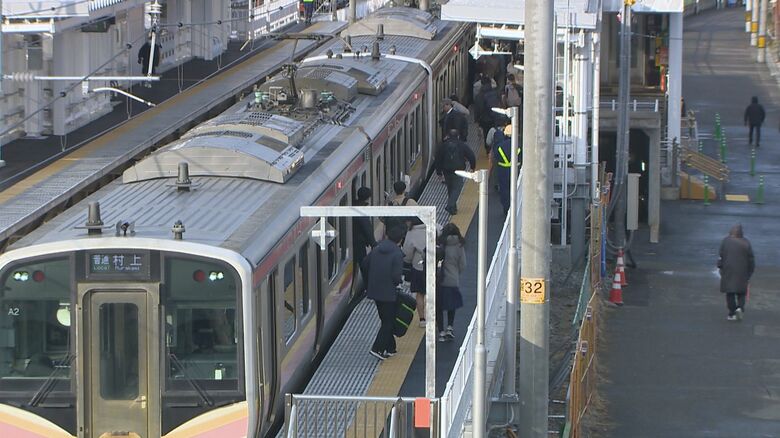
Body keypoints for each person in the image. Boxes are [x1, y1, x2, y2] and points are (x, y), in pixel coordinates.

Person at [362, 226, 405, 359]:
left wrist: (370, 281)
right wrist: (398, 282)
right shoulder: (397, 253)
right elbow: (396, 276)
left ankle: (390, 348)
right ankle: (377, 348)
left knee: (385, 319)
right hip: (389, 293)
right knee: (388, 321)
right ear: (400, 239)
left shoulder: (377, 249)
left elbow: (364, 264)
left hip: (375, 291)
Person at [717, 224, 755, 321]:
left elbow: (721, 255)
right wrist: (749, 272)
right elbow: (751, 259)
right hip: (743, 272)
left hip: (728, 270)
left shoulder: (726, 241)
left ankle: (732, 312)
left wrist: (720, 266)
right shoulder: (746, 242)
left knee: (730, 293)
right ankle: (740, 308)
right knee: (741, 292)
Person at [435, 129, 477, 215]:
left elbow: (438, 159)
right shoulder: (462, 145)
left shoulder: (443, 146)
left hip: (446, 170)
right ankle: (450, 205)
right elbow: (471, 155)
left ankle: (453, 209)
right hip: (458, 170)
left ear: (448, 136)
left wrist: (439, 172)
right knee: (457, 188)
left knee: (450, 189)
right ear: (458, 136)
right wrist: (472, 167)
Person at [436, 223, 466, 342]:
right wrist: (456, 273)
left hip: (438, 280)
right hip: (453, 280)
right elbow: (463, 265)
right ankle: (450, 327)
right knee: (451, 305)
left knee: (439, 306)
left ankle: (441, 332)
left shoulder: (439, 244)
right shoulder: (459, 245)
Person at [402, 217, 429, 326]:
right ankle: (435, 319)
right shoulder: (434, 226)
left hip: (419, 267)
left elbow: (406, 254)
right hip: (435, 266)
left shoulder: (412, 233)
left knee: (420, 293)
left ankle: (422, 319)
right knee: (434, 293)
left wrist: (408, 260)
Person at [491, 124, 520, 214]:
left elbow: (495, 156)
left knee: (504, 189)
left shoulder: (500, 146)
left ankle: (506, 208)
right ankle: (516, 206)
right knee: (516, 188)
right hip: (515, 169)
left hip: (502, 170)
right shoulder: (518, 145)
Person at [353, 187, 377, 283]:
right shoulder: (362, 210)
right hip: (359, 242)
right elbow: (367, 228)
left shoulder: (353, 205)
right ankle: (368, 285)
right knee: (364, 264)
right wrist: (373, 243)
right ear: (368, 198)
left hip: (353, 240)